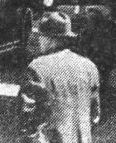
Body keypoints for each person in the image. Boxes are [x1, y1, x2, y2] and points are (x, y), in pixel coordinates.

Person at [19, 11, 101, 143]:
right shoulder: (89, 67)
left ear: (49, 39)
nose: (39, 40)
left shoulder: (37, 68)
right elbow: (95, 116)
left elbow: (27, 118)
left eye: (40, 36)